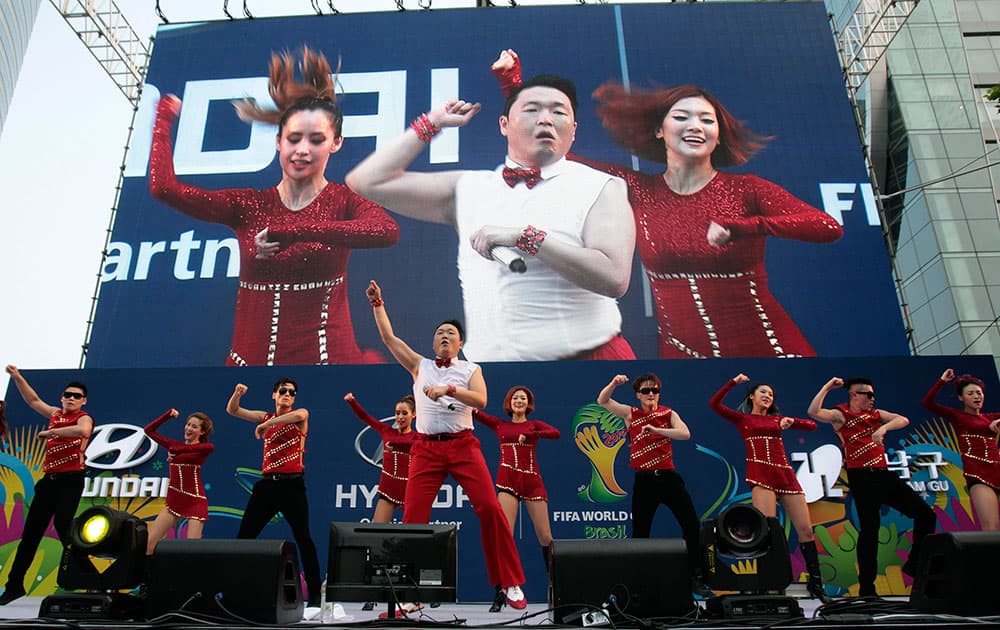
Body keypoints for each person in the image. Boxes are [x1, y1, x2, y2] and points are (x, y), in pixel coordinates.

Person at [493, 50, 843, 359]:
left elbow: (828, 227)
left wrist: (746, 227)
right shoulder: (637, 190)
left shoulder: (747, 190)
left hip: (770, 353)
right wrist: (514, 88)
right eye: (682, 117)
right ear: (660, 130)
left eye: (707, 120)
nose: (696, 126)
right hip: (680, 357)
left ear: (718, 134)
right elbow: (557, 154)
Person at [345, 73, 636, 363]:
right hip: (489, 375)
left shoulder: (600, 187)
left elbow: (614, 278)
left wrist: (527, 238)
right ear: (504, 125)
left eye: (558, 112)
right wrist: (432, 124)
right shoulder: (470, 187)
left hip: (591, 364)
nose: (546, 119)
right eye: (532, 109)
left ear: (573, 131)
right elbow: (366, 181)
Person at [149, 47, 399, 366]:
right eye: (294, 139)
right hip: (247, 374)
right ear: (278, 141)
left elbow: (387, 230)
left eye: (317, 140)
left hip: (332, 369)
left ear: (336, 143)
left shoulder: (343, 200)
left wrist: (295, 233)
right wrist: (163, 119)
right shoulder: (248, 205)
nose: (302, 151)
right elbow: (164, 189)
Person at [364, 279, 528, 611]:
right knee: (413, 518)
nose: (444, 336)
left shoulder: (470, 369)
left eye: (450, 333)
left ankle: (509, 580)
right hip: (425, 449)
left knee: (490, 509)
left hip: (463, 446)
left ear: (460, 343)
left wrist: (449, 391)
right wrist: (378, 304)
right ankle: (411, 595)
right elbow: (388, 338)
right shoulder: (419, 366)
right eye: (439, 332)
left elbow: (481, 400)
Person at [808, 377, 936, 597]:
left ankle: (915, 564)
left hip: (884, 475)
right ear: (854, 395)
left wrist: (882, 429)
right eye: (868, 394)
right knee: (870, 530)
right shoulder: (842, 416)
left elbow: (902, 420)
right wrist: (827, 386)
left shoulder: (876, 415)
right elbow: (814, 412)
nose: (872, 399)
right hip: (861, 478)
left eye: (873, 395)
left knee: (926, 515)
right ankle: (867, 587)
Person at [709, 374, 828, 601]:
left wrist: (792, 422)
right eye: (763, 392)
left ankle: (816, 585)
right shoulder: (743, 419)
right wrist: (732, 383)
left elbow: (812, 426)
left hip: (785, 475)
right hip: (761, 476)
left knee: (806, 531)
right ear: (752, 396)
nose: (767, 396)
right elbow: (714, 404)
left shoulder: (778, 419)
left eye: (771, 394)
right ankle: (768, 584)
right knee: (767, 533)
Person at [596, 373, 710, 596]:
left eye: (654, 391)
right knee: (640, 532)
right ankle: (638, 582)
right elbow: (603, 401)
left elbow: (685, 434)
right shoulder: (631, 414)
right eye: (646, 391)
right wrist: (613, 383)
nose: (651, 394)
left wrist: (658, 431)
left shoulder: (668, 413)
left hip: (669, 479)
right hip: (645, 481)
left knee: (691, 525)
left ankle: (696, 577)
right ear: (638, 395)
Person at [0, 366, 93, 605]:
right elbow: (32, 400)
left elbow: (82, 431)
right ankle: (14, 586)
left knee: (64, 526)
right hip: (49, 481)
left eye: (76, 396)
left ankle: (90, 578)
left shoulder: (83, 417)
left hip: (71, 481)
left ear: (83, 401)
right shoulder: (54, 413)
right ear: (62, 398)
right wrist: (17, 377)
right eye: (67, 395)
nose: (71, 398)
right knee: (30, 534)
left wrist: (52, 433)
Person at [226, 379, 322, 607]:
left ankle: (316, 595)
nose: (288, 394)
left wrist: (267, 425)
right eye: (283, 391)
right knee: (244, 538)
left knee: (303, 538)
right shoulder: (265, 417)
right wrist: (237, 393)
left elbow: (299, 416)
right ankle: (235, 592)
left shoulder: (299, 415)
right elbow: (233, 410)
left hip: (292, 486)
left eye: (292, 392)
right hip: (267, 486)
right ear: (274, 395)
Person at [473, 386, 559, 609]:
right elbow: (476, 414)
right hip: (507, 483)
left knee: (546, 537)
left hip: (532, 482)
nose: (519, 401)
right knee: (504, 535)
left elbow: (555, 433)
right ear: (509, 402)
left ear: (528, 403)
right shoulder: (500, 424)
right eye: (515, 398)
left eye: (523, 398)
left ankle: (557, 588)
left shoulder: (534, 425)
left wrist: (531, 434)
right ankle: (501, 592)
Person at [922, 369, 1000, 530]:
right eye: (970, 393)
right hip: (978, 474)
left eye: (979, 393)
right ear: (961, 398)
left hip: (997, 469)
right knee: (991, 528)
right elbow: (928, 403)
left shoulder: (990, 417)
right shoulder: (957, 416)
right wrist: (942, 381)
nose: (976, 396)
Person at [143, 409, 215, 554]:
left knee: (191, 550)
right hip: (175, 500)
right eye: (188, 425)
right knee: (149, 544)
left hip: (195, 500)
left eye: (194, 426)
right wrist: (168, 415)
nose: (189, 428)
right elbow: (149, 430)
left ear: (202, 432)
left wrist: (174, 451)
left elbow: (207, 447)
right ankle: (147, 576)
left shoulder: (203, 448)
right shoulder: (174, 446)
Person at [344, 392, 418, 522]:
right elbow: (365, 417)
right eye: (397, 413)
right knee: (377, 530)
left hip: (410, 488)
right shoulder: (386, 430)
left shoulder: (418, 437)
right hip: (389, 487)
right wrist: (352, 402)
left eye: (404, 413)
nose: (400, 417)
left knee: (414, 532)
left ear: (414, 414)